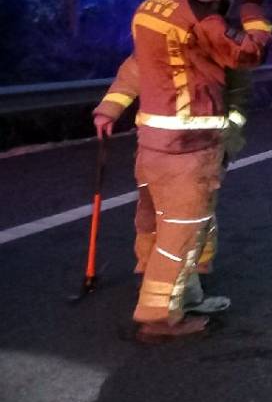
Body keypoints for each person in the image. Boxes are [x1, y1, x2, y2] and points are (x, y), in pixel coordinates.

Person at [93, 0, 272, 342]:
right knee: (181, 233)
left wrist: (110, 107)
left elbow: (139, 64)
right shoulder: (200, 16)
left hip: (153, 144)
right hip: (187, 148)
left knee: (169, 225)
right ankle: (158, 317)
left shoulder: (153, 7)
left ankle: (185, 297)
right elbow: (247, 55)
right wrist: (255, 8)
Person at [93, 58, 253, 313]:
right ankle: (169, 304)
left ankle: (162, 284)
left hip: (159, 150)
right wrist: (109, 109)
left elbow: (134, 71)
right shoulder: (210, 39)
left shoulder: (170, 33)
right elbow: (237, 97)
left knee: (163, 222)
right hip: (186, 154)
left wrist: (108, 110)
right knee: (184, 227)